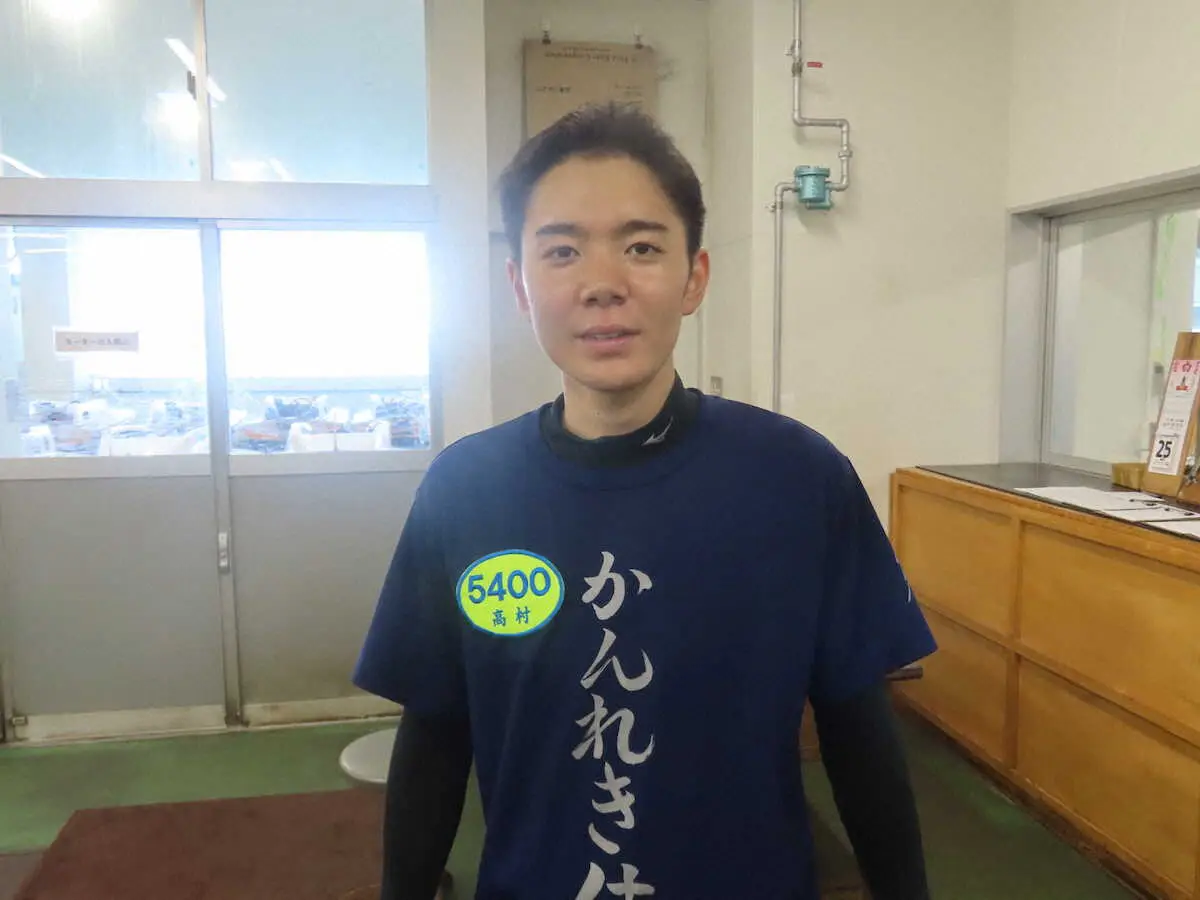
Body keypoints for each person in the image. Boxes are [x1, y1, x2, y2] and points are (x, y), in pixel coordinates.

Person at [353, 102, 936, 900]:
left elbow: (858, 731)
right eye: (562, 251)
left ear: (694, 277)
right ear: (520, 285)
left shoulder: (799, 479)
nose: (602, 286)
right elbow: (435, 734)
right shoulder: (465, 490)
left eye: (641, 247)